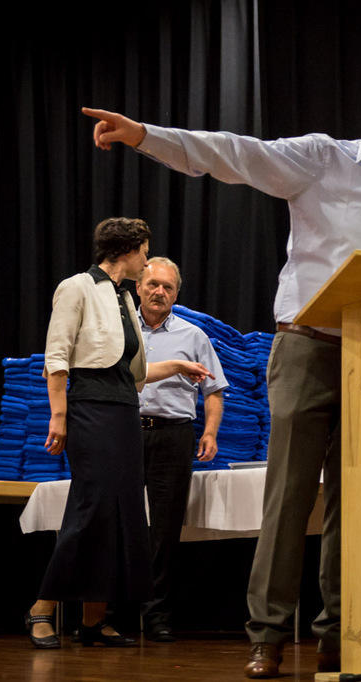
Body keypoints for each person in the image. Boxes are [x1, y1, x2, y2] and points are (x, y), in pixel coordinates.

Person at [82, 66, 361, 677]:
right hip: (308, 345)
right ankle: (269, 635)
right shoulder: (322, 159)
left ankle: (340, 633)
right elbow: (235, 154)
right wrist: (145, 135)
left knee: (357, 501)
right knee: (289, 494)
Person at [25, 218, 214, 649]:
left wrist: (178, 366)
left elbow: (133, 373)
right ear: (127, 250)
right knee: (90, 509)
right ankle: (41, 608)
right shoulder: (77, 287)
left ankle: (94, 620)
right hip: (90, 409)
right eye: (144, 252)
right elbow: (57, 356)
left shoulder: (123, 297)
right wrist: (59, 416)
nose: (146, 261)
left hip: (125, 410)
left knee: (120, 517)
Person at [136, 257, 229, 642]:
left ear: (176, 294)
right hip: (125, 433)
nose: (159, 292)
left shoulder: (193, 336)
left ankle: (156, 614)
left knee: (165, 527)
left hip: (173, 435)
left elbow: (214, 390)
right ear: (138, 287)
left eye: (167, 287)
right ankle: (108, 613)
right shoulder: (120, 330)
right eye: (153, 284)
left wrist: (210, 432)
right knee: (117, 521)